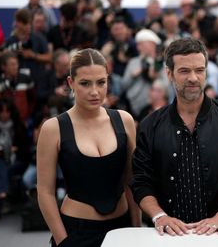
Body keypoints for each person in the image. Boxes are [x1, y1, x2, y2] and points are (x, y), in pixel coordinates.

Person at [131, 38, 218, 236]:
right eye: (184, 71)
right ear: (169, 73)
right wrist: (159, 216)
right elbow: (141, 180)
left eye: (199, 70)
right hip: (169, 236)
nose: (193, 78)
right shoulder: (150, 125)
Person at [37, 48, 140, 247]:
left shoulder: (124, 120)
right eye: (85, 83)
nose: (95, 91)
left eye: (101, 82)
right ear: (70, 83)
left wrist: (136, 230)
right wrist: (63, 241)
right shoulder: (53, 128)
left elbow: (131, 182)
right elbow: (45, 192)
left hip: (122, 229)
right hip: (76, 233)